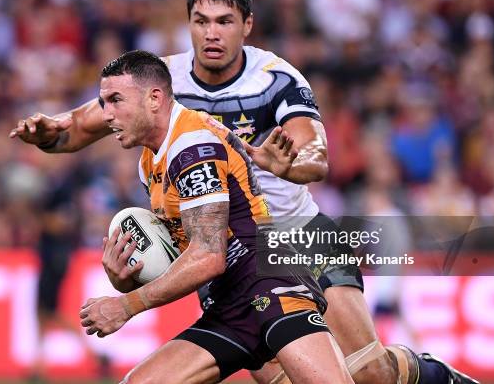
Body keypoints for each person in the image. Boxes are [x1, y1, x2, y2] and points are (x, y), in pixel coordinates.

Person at [10, 0, 478, 384]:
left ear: (246, 26)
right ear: (188, 23)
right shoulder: (160, 83)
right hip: (232, 256)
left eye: (224, 21)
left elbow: (316, 154)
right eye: (201, 21)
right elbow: (77, 128)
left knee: (369, 372)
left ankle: (435, 375)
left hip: (295, 236)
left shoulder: (275, 79)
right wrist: (50, 131)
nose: (211, 33)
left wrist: (287, 165)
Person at [78, 49, 353, 383]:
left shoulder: (192, 147)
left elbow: (208, 257)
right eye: (104, 102)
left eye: (115, 100)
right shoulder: (151, 161)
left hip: (269, 280)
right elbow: (184, 249)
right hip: (228, 299)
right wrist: (128, 274)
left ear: (154, 98)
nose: (107, 114)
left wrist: (126, 305)